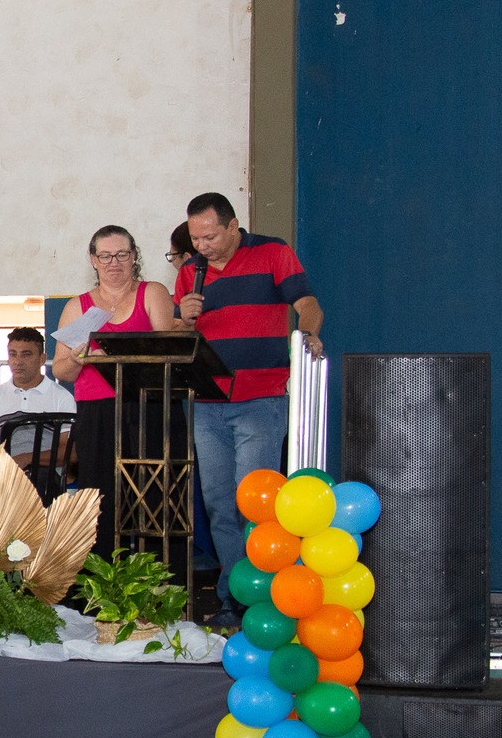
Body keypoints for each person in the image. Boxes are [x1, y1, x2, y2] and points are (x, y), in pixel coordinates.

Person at [173, 193, 323, 595]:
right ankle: (234, 594)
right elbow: (178, 339)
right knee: (219, 503)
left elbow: (308, 305)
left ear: (233, 226)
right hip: (206, 403)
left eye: (209, 237)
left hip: (261, 398)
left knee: (254, 502)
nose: (201, 246)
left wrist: (307, 334)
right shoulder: (190, 272)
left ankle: (266, 591)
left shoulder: (273, 251)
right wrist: (183, 320)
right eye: (195, 238)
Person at [50, 226, 176, 558]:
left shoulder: (153, 292)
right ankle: (103, 589)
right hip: (97, 412)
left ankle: (156, 593)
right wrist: (80, 357)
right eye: (105, 256)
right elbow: (60, 369)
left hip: (148, 408)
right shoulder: (79, 306)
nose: (114, 263)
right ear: (93, 260)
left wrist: (117, 354)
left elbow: (167, 354)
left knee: (154, 499)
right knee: (101, 500)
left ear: (134, 256)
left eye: (122, 254)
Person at [0, 328, 76, 465]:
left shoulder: (62, 397)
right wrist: (0, 467)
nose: (18, 361)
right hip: (0, 477)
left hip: (45, 478)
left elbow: (70, 452)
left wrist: (27, 459)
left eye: (26, 355)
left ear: (42, 359)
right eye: (13, 354)